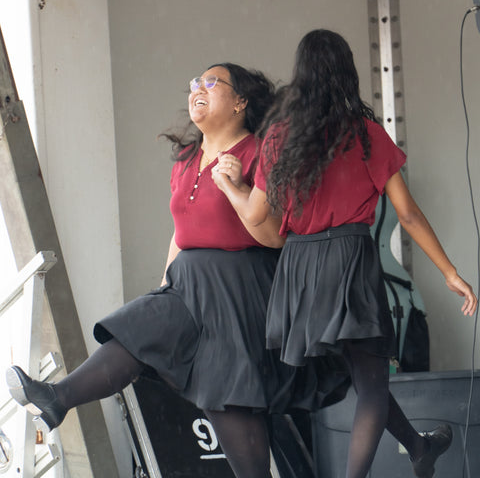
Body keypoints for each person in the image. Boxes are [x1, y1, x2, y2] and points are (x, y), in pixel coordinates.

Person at [211, 30, 478, 478]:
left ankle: (419, 447)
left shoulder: (278, 137)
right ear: (347, 74)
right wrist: (450, 272)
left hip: (298, 269)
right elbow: (407, 214)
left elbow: (256, 215)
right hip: (349, 262)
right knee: (371, 386)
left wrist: (231, 187)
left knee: (361, 376)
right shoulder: (367, 134)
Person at [6, 62, 288, 478]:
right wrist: (164, 287)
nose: (198, 89)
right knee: (137, 332)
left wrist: (237, 188)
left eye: (212, 82)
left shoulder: (259, 152)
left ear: (240, 101)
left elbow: (275, 237)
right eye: (194, 82)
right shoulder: (188, 158)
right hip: (188, 283)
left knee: (228, 405)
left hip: (237, 288)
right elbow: (182, 230)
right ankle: (57, 397)